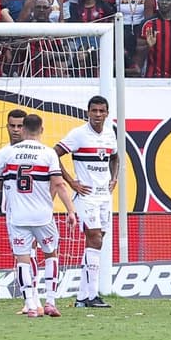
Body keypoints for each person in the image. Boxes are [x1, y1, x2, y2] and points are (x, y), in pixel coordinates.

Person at [0, 114, 77, 318]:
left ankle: (30, 304)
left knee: (22, 260)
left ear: (24, 130)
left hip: (17, 217)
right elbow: (59, 184)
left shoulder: (7, 153)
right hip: (43, 216)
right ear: (41, 130)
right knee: (51, 255)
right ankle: (50, 302)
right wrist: (71, 210)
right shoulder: (48, 153)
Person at [54, 95, 118, 308]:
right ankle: (92, 296)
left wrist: (114, 178)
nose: (98, 115)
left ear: (107, 113)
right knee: (95, 240)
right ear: (88, 112)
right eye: (94, 111)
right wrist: (72, 182)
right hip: (86, 196)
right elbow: (54, 155)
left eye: (102, 111)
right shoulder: (78, 135)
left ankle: (82, 298)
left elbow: (115, 157)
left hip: (104, 196)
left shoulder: (110, 133)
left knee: (97, 243)